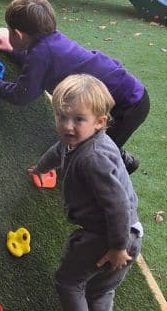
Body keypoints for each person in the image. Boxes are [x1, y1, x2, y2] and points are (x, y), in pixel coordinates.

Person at [0, 0, 148, 174]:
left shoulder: (40, 54)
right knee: (96, 142)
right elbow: (41, 65)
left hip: (127, 106)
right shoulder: (52, 41)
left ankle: (118, 169)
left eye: (9, 30)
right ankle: (124, 160)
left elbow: (21, 95)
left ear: (17, 34)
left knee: (92, 153)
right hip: (128, 94)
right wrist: (13, 51)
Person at [32, 74, 143, 311]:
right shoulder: (77, 139)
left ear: (100, 122)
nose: (67, 125)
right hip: (131, 232)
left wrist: (118, 247)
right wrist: (41, 167)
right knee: (100, 290)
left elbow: (117, 205)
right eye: (61, 116)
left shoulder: (93, 158)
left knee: (68, 283)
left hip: (108, 236)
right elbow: (58, 151)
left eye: (78, 119)